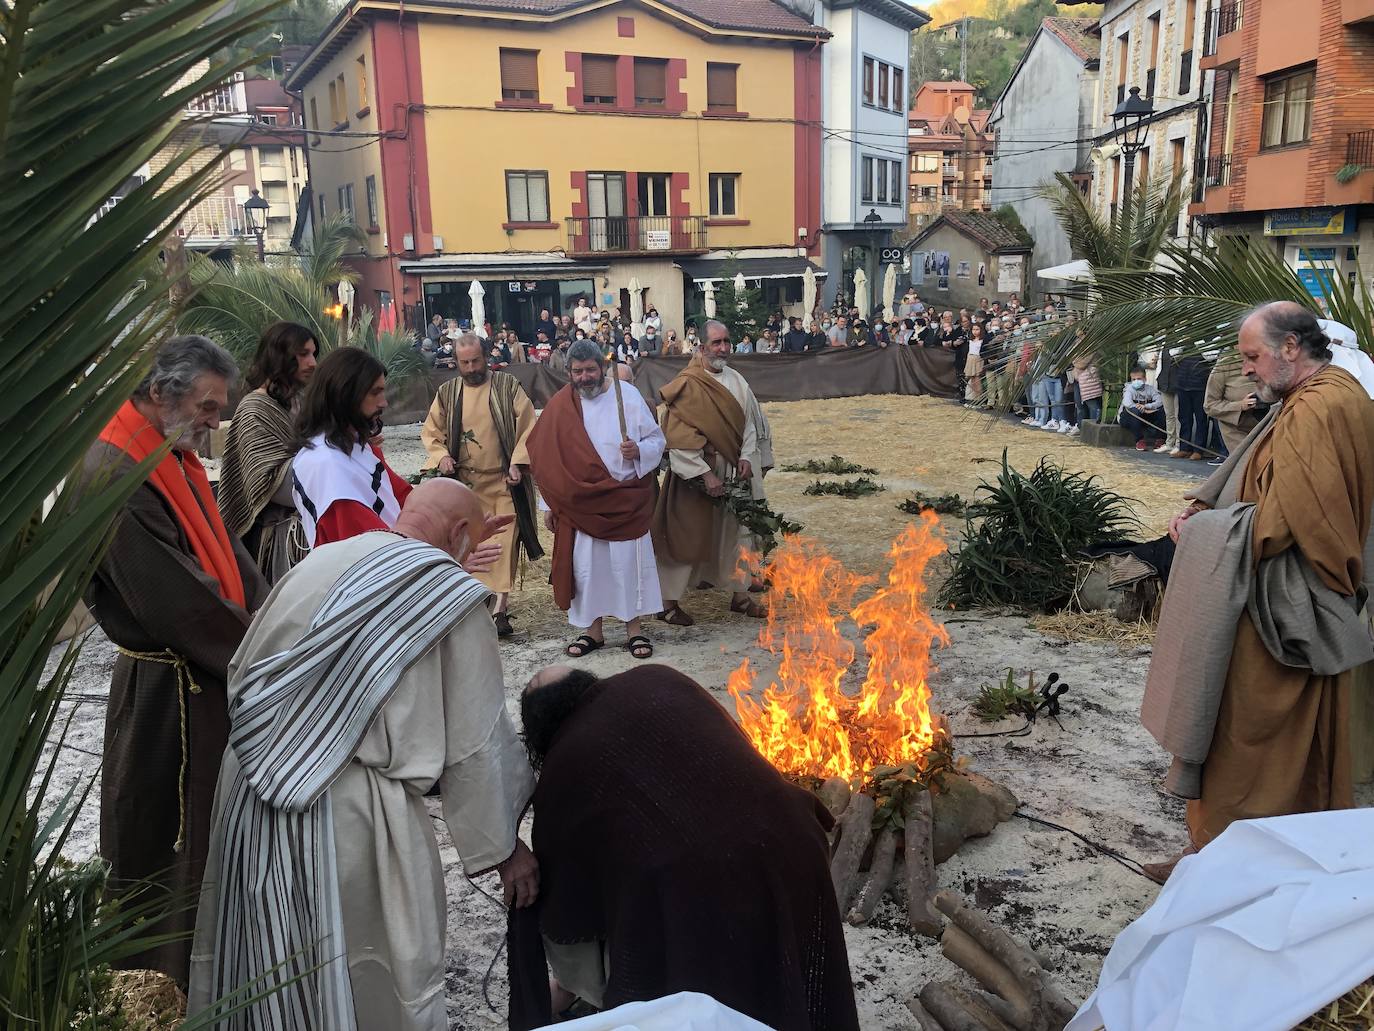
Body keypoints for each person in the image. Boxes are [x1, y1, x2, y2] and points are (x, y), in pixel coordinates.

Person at [189, 479, 538, 1029]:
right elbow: (477, 742)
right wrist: (503, 847)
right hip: (351, 815)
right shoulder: (449, 595)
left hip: (248, 792)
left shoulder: (318, 563)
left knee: (265, 964)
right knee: (362, 971)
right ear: (460, 535)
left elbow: (242, 670)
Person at [1142, 302, 1374, 882]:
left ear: (1291, 348)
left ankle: (1231, 864)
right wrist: (1208, 502)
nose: (1245, 369)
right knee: (1270, 737)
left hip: (1285, 601)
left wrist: (1202, 532)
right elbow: (1265, 481)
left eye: (1251, 356)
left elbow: (1283, 521)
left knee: (1245, 732)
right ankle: (1226, 855)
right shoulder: (1316, 397)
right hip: (1280, 589)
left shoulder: (1318, 410)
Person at [507, 664, 861, 1031]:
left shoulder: (562, 766)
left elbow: (568, 907)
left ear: (539, 733)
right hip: (794, 836)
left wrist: (572, 985)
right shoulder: (658, 677)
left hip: (699, 882)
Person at [81, 336, 269, 984]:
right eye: (209, 406)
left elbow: (227, 558)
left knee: (211, 842)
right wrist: (267, 650)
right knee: (167, 843)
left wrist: (276, 614)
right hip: (168, 692)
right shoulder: (117, 468)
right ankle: (164, 988)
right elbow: (181, 604)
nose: (215, 422)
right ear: (162, 393)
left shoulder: (171, 452)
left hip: (201, 679)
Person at [526, 341, 666, 660]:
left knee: (629, 566)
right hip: (580, 505)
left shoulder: (627, 397)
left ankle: (635, 630)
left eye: (590, 369)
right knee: (589, 569)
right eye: (578, 371)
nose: (585, 377)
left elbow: (658, 439)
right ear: (568, 373)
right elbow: (547, 460)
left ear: (602, 368)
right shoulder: (562, 406)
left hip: (624, 500)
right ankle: (593, 632)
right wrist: (550, 506)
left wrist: (640, 451)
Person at [420, 334, 542, 635]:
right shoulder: (447, 393)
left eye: (476, 360)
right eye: (465, 363)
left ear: (485, 357)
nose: (472, 367)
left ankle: (500, 609)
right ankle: (476, 603)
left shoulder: (506, 387)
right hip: (465, 486)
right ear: (456, 363)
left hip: (503, 481)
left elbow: (528, 426)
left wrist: (518, 461)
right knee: (472, 545)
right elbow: (431, 432)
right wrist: (442, 456)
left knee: (502, 543)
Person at [652, 319, 769, 625]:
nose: (723, 348)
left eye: (726, 342)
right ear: (701, 347)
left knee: (737, 534)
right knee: (686, 535)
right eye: (716, 343)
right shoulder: (688, 383)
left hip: (734, 470)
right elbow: (678, 438)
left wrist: (745, 456)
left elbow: (749, 426)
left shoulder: (738, 381)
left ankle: (740, 596)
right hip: (696, 475)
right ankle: (668, 604)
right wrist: (705, 475)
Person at [218, 321, 318, 584]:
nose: (313, 362)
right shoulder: (255, 409)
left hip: (308, 528)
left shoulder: (298, 403)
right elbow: (271, 484)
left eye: (314, 354)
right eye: (304, 354)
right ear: (281, 356)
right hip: (279, 541)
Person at [292, 347, 413, 548]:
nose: (384, 403)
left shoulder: (356, 446)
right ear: (345, 394)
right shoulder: (326, 464)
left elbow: (405, 498)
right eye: (375, 393)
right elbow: (370, 547)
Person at [1204, 353, 1269, 453]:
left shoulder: (1269, 359)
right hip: (1236, 432)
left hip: (1268, 426)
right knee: (1247, 464)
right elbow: (1210, 405)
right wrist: (1240, 405)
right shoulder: (1225, 365)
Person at [1173, 351, 1214, 459]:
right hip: (1182, 383)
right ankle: (1184, 448)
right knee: (1184, 418)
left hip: (1200, 384)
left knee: (1200, 418)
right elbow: (1174, 353)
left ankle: (1199, 449)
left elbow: (1210, 356)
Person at [1119, 366, 1166, 449]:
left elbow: (1159, 401)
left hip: (1145, 415)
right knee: (1134, 411)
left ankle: (1160, 439)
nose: (1136, 381)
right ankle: (1139, 440)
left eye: (1139, 379)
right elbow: (1127, 403)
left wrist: (1146, 406)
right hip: (1128, 417)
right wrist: (1140, 408)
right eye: (1133, 379)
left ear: (1145, 379)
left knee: (1162, 411)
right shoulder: (1129, 389)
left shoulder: (1150, 389)